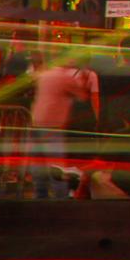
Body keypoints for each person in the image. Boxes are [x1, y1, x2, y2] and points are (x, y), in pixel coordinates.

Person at [28, 54, 96, 200]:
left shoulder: (45, 75)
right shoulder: (64, 78)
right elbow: (83, 96)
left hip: (36, 121)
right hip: (52, 125)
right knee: (56, 166)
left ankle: (39, 196)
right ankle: (61, 199)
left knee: (38, 163)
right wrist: (84, 78)